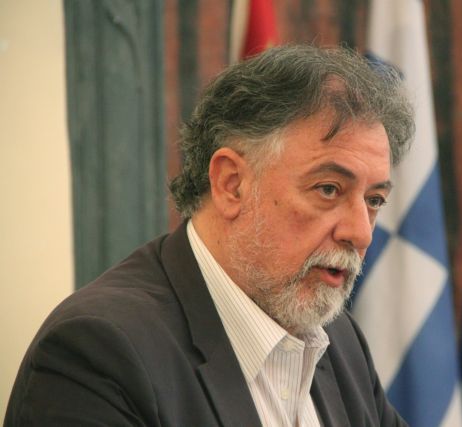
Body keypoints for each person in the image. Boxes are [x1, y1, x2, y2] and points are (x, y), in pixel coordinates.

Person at [5, 44, 415, 426]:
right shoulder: (99, 352)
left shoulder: (338, 340)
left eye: (374, 200)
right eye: (328, 189)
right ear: (231, 184)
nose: (361, 233)